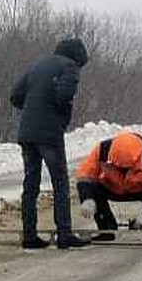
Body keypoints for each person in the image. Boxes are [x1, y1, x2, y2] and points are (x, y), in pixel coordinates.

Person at [10, 38, 91, 249]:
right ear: (78, 57)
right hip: (49, 133)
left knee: (31, 184)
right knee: (60, 183)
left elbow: (15, 96)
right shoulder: (70, 67)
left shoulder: (38, 65)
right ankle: (64, 234)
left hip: (27, 132)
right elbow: (64, 96)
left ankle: (29, 236)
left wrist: (35, 105)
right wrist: (59, 117)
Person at [75, 130, 142, 240]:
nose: (122, 171)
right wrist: (87, 198)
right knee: (92, 188)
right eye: (117, 167)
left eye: (126, 168)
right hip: (113, 187)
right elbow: (85, 175)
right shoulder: (102, 150)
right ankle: (106, 228)